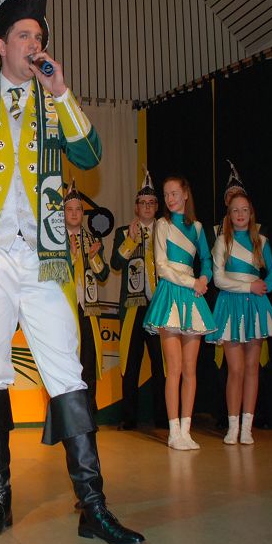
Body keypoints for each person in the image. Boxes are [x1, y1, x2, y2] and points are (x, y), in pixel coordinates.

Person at [0, 0, 143, 544]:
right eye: (24, 35)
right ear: (1, 46)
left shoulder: (55, 103)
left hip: (45, 259)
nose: (34, 43)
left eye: (40, 36)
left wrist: (63, 91)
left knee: (68, 375)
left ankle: (93, 506)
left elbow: (91, 156)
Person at [143, 175, 216, 450]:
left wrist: (205, 279)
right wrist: (192, 282)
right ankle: (173, 432)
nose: (170, 198)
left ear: (185, 194)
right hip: (171, 294)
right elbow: (162, 266)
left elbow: (207, 260)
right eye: (166, 194)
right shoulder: (162, 225)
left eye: (174, 193)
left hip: (192, 296)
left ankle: (186, 430)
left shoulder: (197, 227)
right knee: (173, 369)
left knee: (190, 370)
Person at [206, 187, 272, 445]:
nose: (240, 214)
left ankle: (247, 428)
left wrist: (264, 287)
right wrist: (249, 286)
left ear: (251, 213)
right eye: (235, 210)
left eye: (244, 210)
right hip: (230, 305)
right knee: (235, 369)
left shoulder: (261, 241)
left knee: (251, 368)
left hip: (254, 307)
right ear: (229, 214)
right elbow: (218, 279)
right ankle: (233, 425)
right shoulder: (222, 242)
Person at [109, 170, 165, 431]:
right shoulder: (124, 232)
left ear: (157, 206)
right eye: (143, 203)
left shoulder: (165, 231)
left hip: (159, 306)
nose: (147, 207)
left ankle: (163, 416)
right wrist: (130, 242)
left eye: (152, 203)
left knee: (161, 363)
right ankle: (129, 417)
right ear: (136, 207)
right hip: (133, 306)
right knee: (130, 363)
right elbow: (115, 264)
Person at [64, 180, 109, 416]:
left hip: (88, 310)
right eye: (69, 209)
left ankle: (89, 413)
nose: (74, 214)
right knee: (66, 361)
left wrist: (94, 258)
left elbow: (104, 274)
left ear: (83, 213)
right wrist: (71, 257)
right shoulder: (56, 241)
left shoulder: (93, 241)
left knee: (88, 362)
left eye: (78, 210)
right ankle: (68, 413)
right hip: (65, 310)